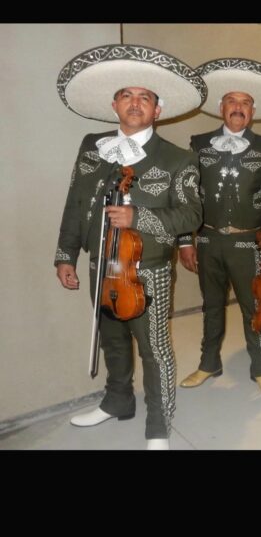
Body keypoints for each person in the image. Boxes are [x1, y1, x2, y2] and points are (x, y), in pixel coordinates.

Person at [54, 43, 206, 449]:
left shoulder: (179, 159)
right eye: (127, 95)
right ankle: (117, 402)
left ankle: (159, 424)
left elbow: (192, 217)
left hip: (147, 269)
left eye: (145, 97)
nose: (135, 103)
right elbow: (75, 203)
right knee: (112, 339)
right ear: (114, 104)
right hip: (99, 266)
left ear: (158, 109)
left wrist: (139, 217)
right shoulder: (92, 146)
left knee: (154, 349)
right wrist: (66, 254)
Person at [178, 58, 261, 397]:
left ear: (252, 112)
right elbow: (187, 194)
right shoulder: (198, 143)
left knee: (254, 308)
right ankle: (208, 362)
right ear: (221, 108)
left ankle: (260, 368)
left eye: (244, 103)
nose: (238, 108)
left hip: (248, 245)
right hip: (209, 241)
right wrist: (185, 240)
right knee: (210, 305)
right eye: (232, 101)